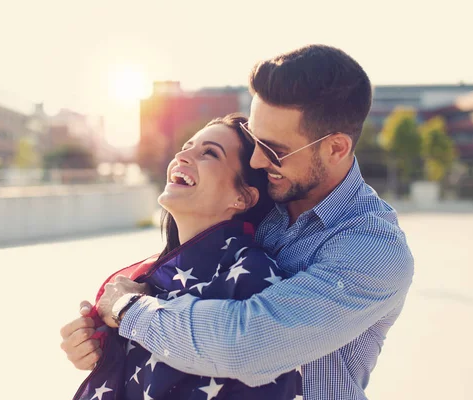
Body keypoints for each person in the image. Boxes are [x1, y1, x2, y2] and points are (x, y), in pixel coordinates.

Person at [61, 44, 414, 400]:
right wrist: (104, 342)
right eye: (256, 141)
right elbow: (191, 280)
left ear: (335, 148)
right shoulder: (268, 200)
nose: (258, 160)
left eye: (275, 149)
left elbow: (245, 343)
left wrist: (129, 311)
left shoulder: (373, 248)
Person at [69, 114, 304, 400]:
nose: (182, 154)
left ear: (242, 198)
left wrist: (124, 309)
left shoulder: (254, 277)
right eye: (186, 146)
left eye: (209, 153)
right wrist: (96, 346)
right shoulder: (145, 279)